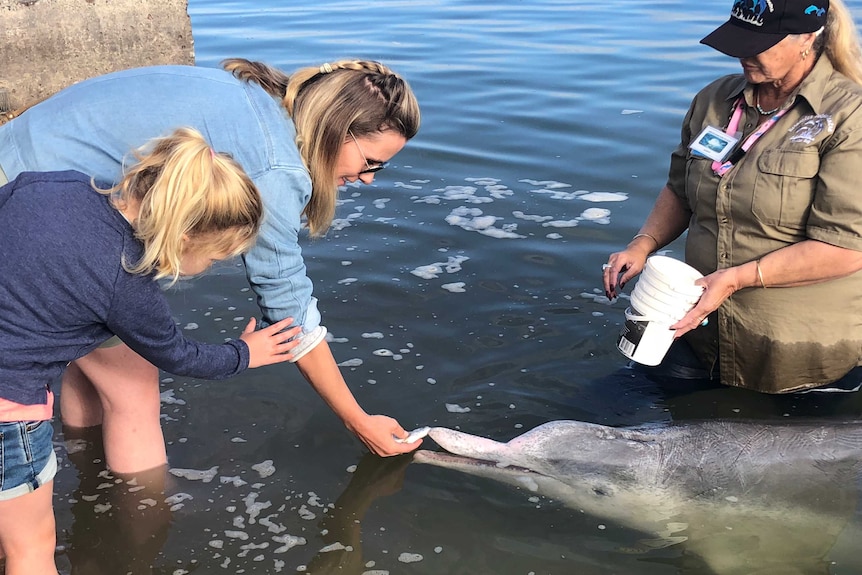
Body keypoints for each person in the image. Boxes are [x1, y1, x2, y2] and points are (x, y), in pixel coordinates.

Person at [0, 57, 423, 474]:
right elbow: (289, 309)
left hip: (27, 187)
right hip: (36, 208)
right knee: (133, 395)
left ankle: (85, 467)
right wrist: (357, 419)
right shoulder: (274, 168)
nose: (369, 178)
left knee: (90, 350)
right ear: (338, 129)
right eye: (371, 162)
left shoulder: (257, 97)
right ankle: (142, 518)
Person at [0, 127, 300, 574]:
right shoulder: (126, 278)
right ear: (184, 237)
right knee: (30, 548)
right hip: (9, 410)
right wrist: (244, 353)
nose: (210, 267)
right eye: (215, 258)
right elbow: (177, 354)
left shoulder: (53, 183)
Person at [603, 0, 862, 394]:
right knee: (615, 412)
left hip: (798, 351)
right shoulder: (715, 100)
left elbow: (847, 247)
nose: (742, 54)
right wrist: (644, 244)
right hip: (697, 329)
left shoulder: (849, 115)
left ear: (808, 37)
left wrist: (737, 279)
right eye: (738, 40)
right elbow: (679, 188)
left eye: (758, 43)